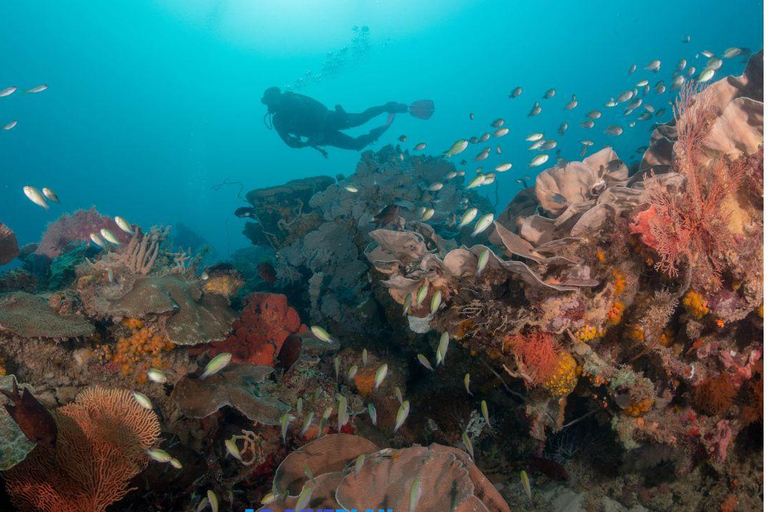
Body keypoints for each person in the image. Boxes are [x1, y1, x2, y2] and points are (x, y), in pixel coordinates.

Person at [261, 87, 408, 157]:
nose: (277, 98)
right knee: (356, 145)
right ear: (269, 103)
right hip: (321, 134)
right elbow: (291, 143)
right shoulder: (278, 120)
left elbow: (318, 106)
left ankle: (387, 107)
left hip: (329, 118)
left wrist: (311, 141)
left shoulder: (293, 98)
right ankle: (381, 129)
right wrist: (310, 142)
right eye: (271, 98)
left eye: (276, 94)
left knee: (361, 119)